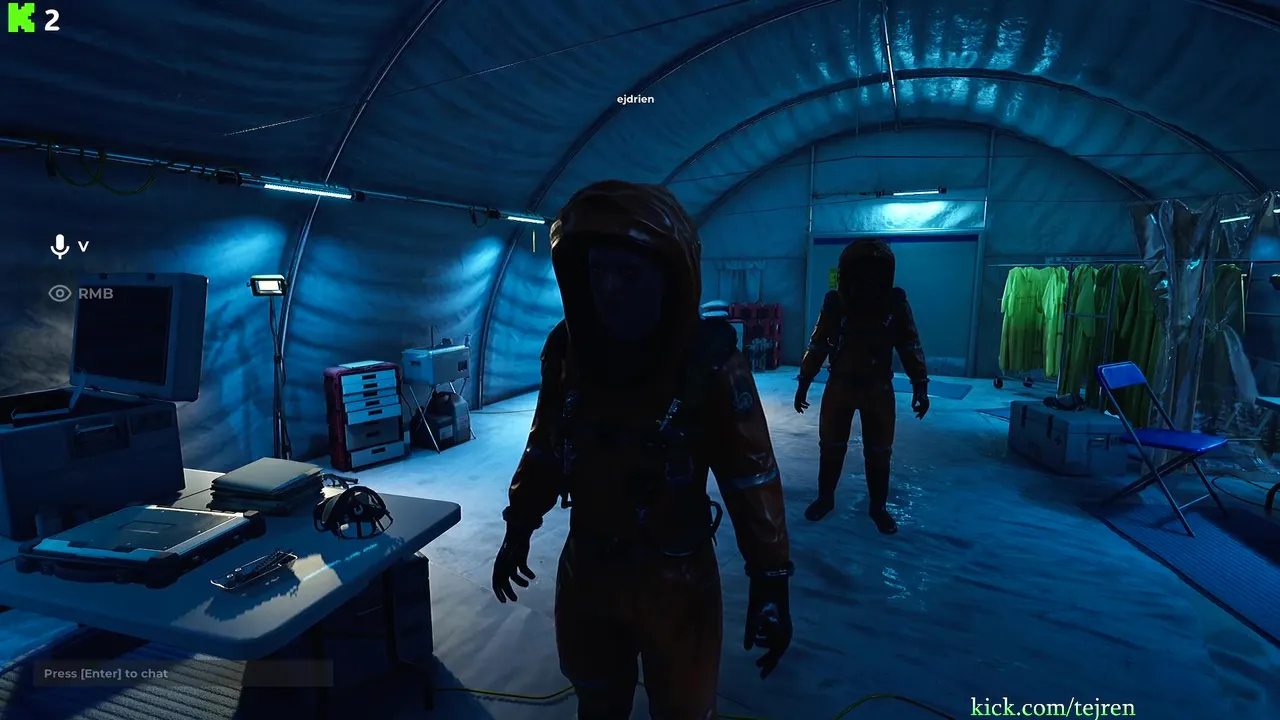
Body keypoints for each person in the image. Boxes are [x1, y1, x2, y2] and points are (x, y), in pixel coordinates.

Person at [490, 180, 793, 719]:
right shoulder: (569, 355)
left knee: (683, 708)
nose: (607, 288)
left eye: (627, 272)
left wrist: (770, 579)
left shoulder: (710, 366)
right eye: (597, 271)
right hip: (588, 569)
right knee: (596, 699)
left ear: (668, 275)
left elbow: (752, 479)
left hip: (676, 579)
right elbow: (545, 448)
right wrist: (520, 523)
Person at [794, 238, 929, 534]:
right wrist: (804, 380)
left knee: (879, 451)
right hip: (840, 385)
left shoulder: (894, 304)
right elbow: (818, 344)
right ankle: (826, 498)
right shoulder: (836, 303)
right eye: (861, 271)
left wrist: (920, 383)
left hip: (877, 387)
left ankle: (878, 507)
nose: (867, 279)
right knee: (831, 446)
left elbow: (909, 344)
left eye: (874, 271)